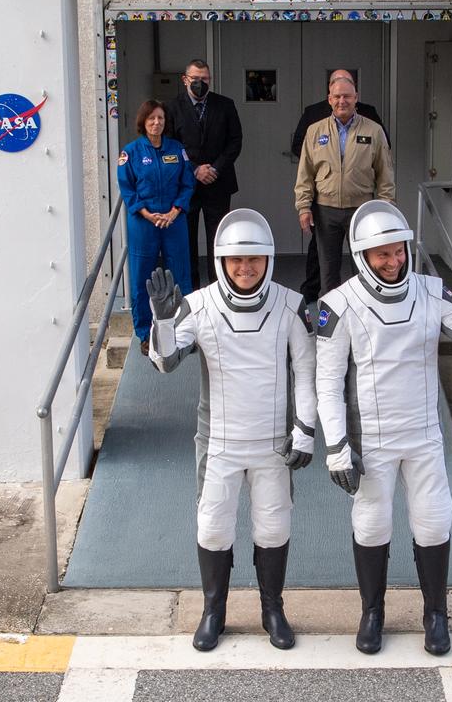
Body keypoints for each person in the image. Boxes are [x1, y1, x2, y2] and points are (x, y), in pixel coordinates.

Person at [315, 201, 452, 657]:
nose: (394, 262)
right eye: (382, 255)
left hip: (424, 436)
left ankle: (435, 614)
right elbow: (326, 381)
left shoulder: (431, 290)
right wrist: (336, 447)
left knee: (434, 522)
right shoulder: (337, 304)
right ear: (362, 255)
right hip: (372, 441)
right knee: (371, 524)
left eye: (399, 251)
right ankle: (372, 612)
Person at [146, 209, 317, 653]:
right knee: (213, 528)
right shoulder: (198, 305)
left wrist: (305, 430)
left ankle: (272, 610)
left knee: (273, 527)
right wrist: (163, 321)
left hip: (273, 445)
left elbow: (308, 370)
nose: (245, 268)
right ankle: (213, 612)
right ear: (221, 260)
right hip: (219, 443)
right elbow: (164, 362)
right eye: (236, 260)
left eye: (255, 259)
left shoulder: (290, 304)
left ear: (269, 259)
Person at [290, 69, 386, 302]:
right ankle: (329, 328)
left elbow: (385, 174)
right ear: (329, 99)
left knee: (363, 269)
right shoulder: (315, 131)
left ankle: (364, 321)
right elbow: (305, 173)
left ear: (356, 98)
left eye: (347, 96)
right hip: (326, 211)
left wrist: (386, 209)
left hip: (361, 210)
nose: (342, 101)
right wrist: (303, 207)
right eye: (337, 97)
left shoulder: (373, 130)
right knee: (328, 273)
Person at [117, 99, 194, 352]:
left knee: (180, 275)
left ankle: (184, 330)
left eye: (160, 118)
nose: (156, 123)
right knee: (142, 278)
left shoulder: (177, 149)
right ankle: (145, 334)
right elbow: (127, 189)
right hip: (143, 223)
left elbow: (187, 184)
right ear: (143, 122)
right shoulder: (131, 153)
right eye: (151, 119)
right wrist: (148, 214)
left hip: (174, 221)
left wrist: (175, 211)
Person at [166, 59, 243, 291]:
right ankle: (191, 293)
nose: (200, 83)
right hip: (186, 186)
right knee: (186, 242)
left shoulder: (225, 105)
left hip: (218, 184)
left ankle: (218, 291)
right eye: (195, 79)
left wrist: (215, 168)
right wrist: (195, 169)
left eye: (205, 79)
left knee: (217, 241)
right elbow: (170, 146)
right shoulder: (171, 108)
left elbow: (235, 141)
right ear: (185, 79)